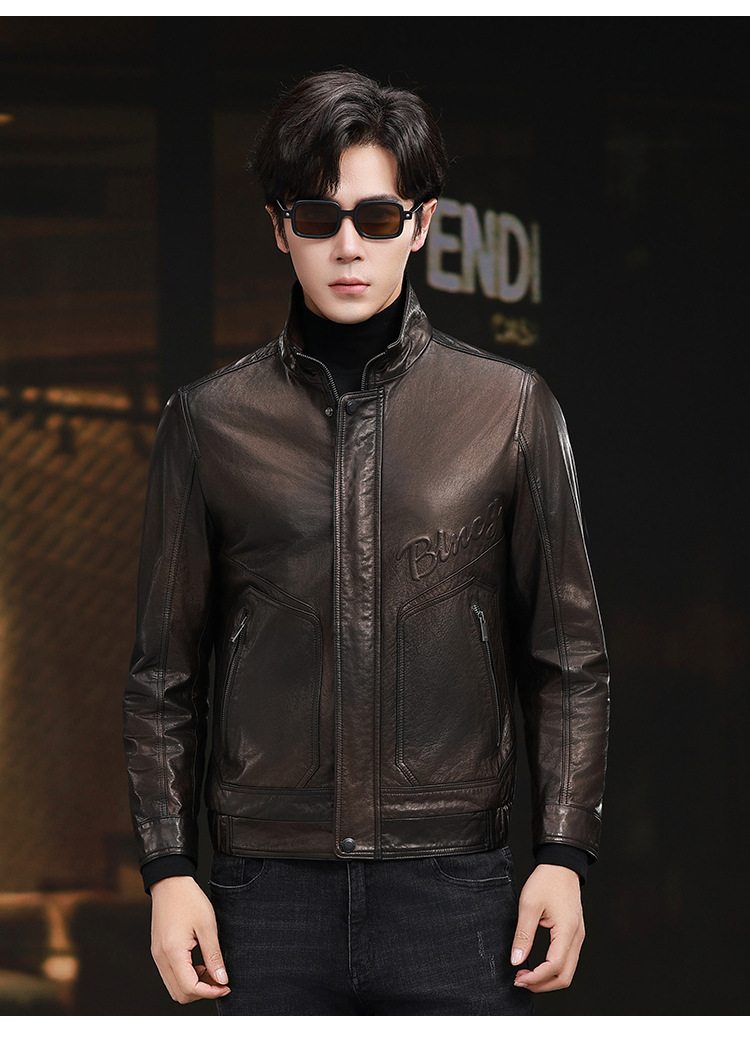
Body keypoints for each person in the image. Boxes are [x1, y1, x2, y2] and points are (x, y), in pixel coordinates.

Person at [123, 68, 609, 1016]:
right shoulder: (209, 422)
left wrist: (563, 850)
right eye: (319, 217)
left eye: (378, 217)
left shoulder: (509, 409)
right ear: (281, 229)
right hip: (265, 895)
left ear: (419, 225)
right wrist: (168, 867)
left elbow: (570, 655)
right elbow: (162, 675)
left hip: (453, 890)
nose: (348, 245)